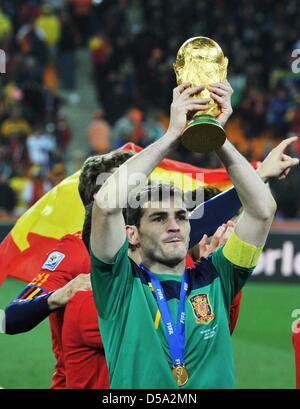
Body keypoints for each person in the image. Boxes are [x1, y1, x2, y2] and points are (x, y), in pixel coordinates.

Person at [3, 135, 297, 388]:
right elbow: (11, 318)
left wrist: (257, 175)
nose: (173, 225)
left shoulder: (165, 250)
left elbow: (196, 219)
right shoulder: (77, 254)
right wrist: (59, 297)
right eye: (132, 183)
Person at [89, 80, 279, 389]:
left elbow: (262, 210)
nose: (174, 225)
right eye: (159, 218)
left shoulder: (219, 275)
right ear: (132, 235)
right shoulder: (119, 284)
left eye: (180, 216)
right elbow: (107, 202)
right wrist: (173, 135)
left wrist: (215, 135)